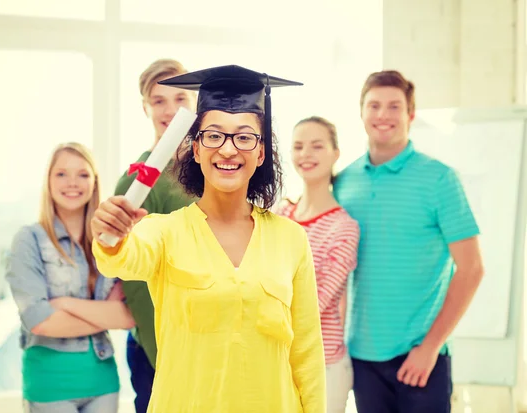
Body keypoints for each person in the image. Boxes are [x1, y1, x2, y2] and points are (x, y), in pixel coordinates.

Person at [91, 65, 326, 412]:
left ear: (260, 153)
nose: (228, 150)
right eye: (214, 135)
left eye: (244, 137)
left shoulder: (290, 239)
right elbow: (120, 257)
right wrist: (109, 236)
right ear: (196, 148)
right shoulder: (163, 231)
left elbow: (306, 353)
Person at [334, 70, 484, 413]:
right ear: (361, 113)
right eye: (374, 105)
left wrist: (430, 347)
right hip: (361, 356)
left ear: (410, 115)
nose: (383, 115)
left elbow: (472, 269)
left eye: (394, 106)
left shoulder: (439, 179)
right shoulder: (344, 182)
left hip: (420, 356)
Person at [6, 142, 135, 413]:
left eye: (83, 174)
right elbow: (40, 321)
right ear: (48, 182)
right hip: (49, 385)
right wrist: (104, 314)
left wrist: (64, 303)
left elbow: (126, 317)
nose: (72, 183)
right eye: (62, 174)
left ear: (95, 182)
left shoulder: (111, 243)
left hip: (103, 382)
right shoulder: (28, 240)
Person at [114, 58, 197, 413]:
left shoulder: (216, 168)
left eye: (180, 99)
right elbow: (133, 279)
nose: (170, 110)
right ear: (145, 107)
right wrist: (166, 352)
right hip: (160, 349)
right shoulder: (137, 182)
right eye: (158, 100)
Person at [276, 116, 359, 413]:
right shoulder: (280, 215)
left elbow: (318, 301)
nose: (305, 154)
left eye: (316, 146)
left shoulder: (344, 227)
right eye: (298, 146)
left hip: (323, 364)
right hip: (277, 360)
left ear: (335, 154)